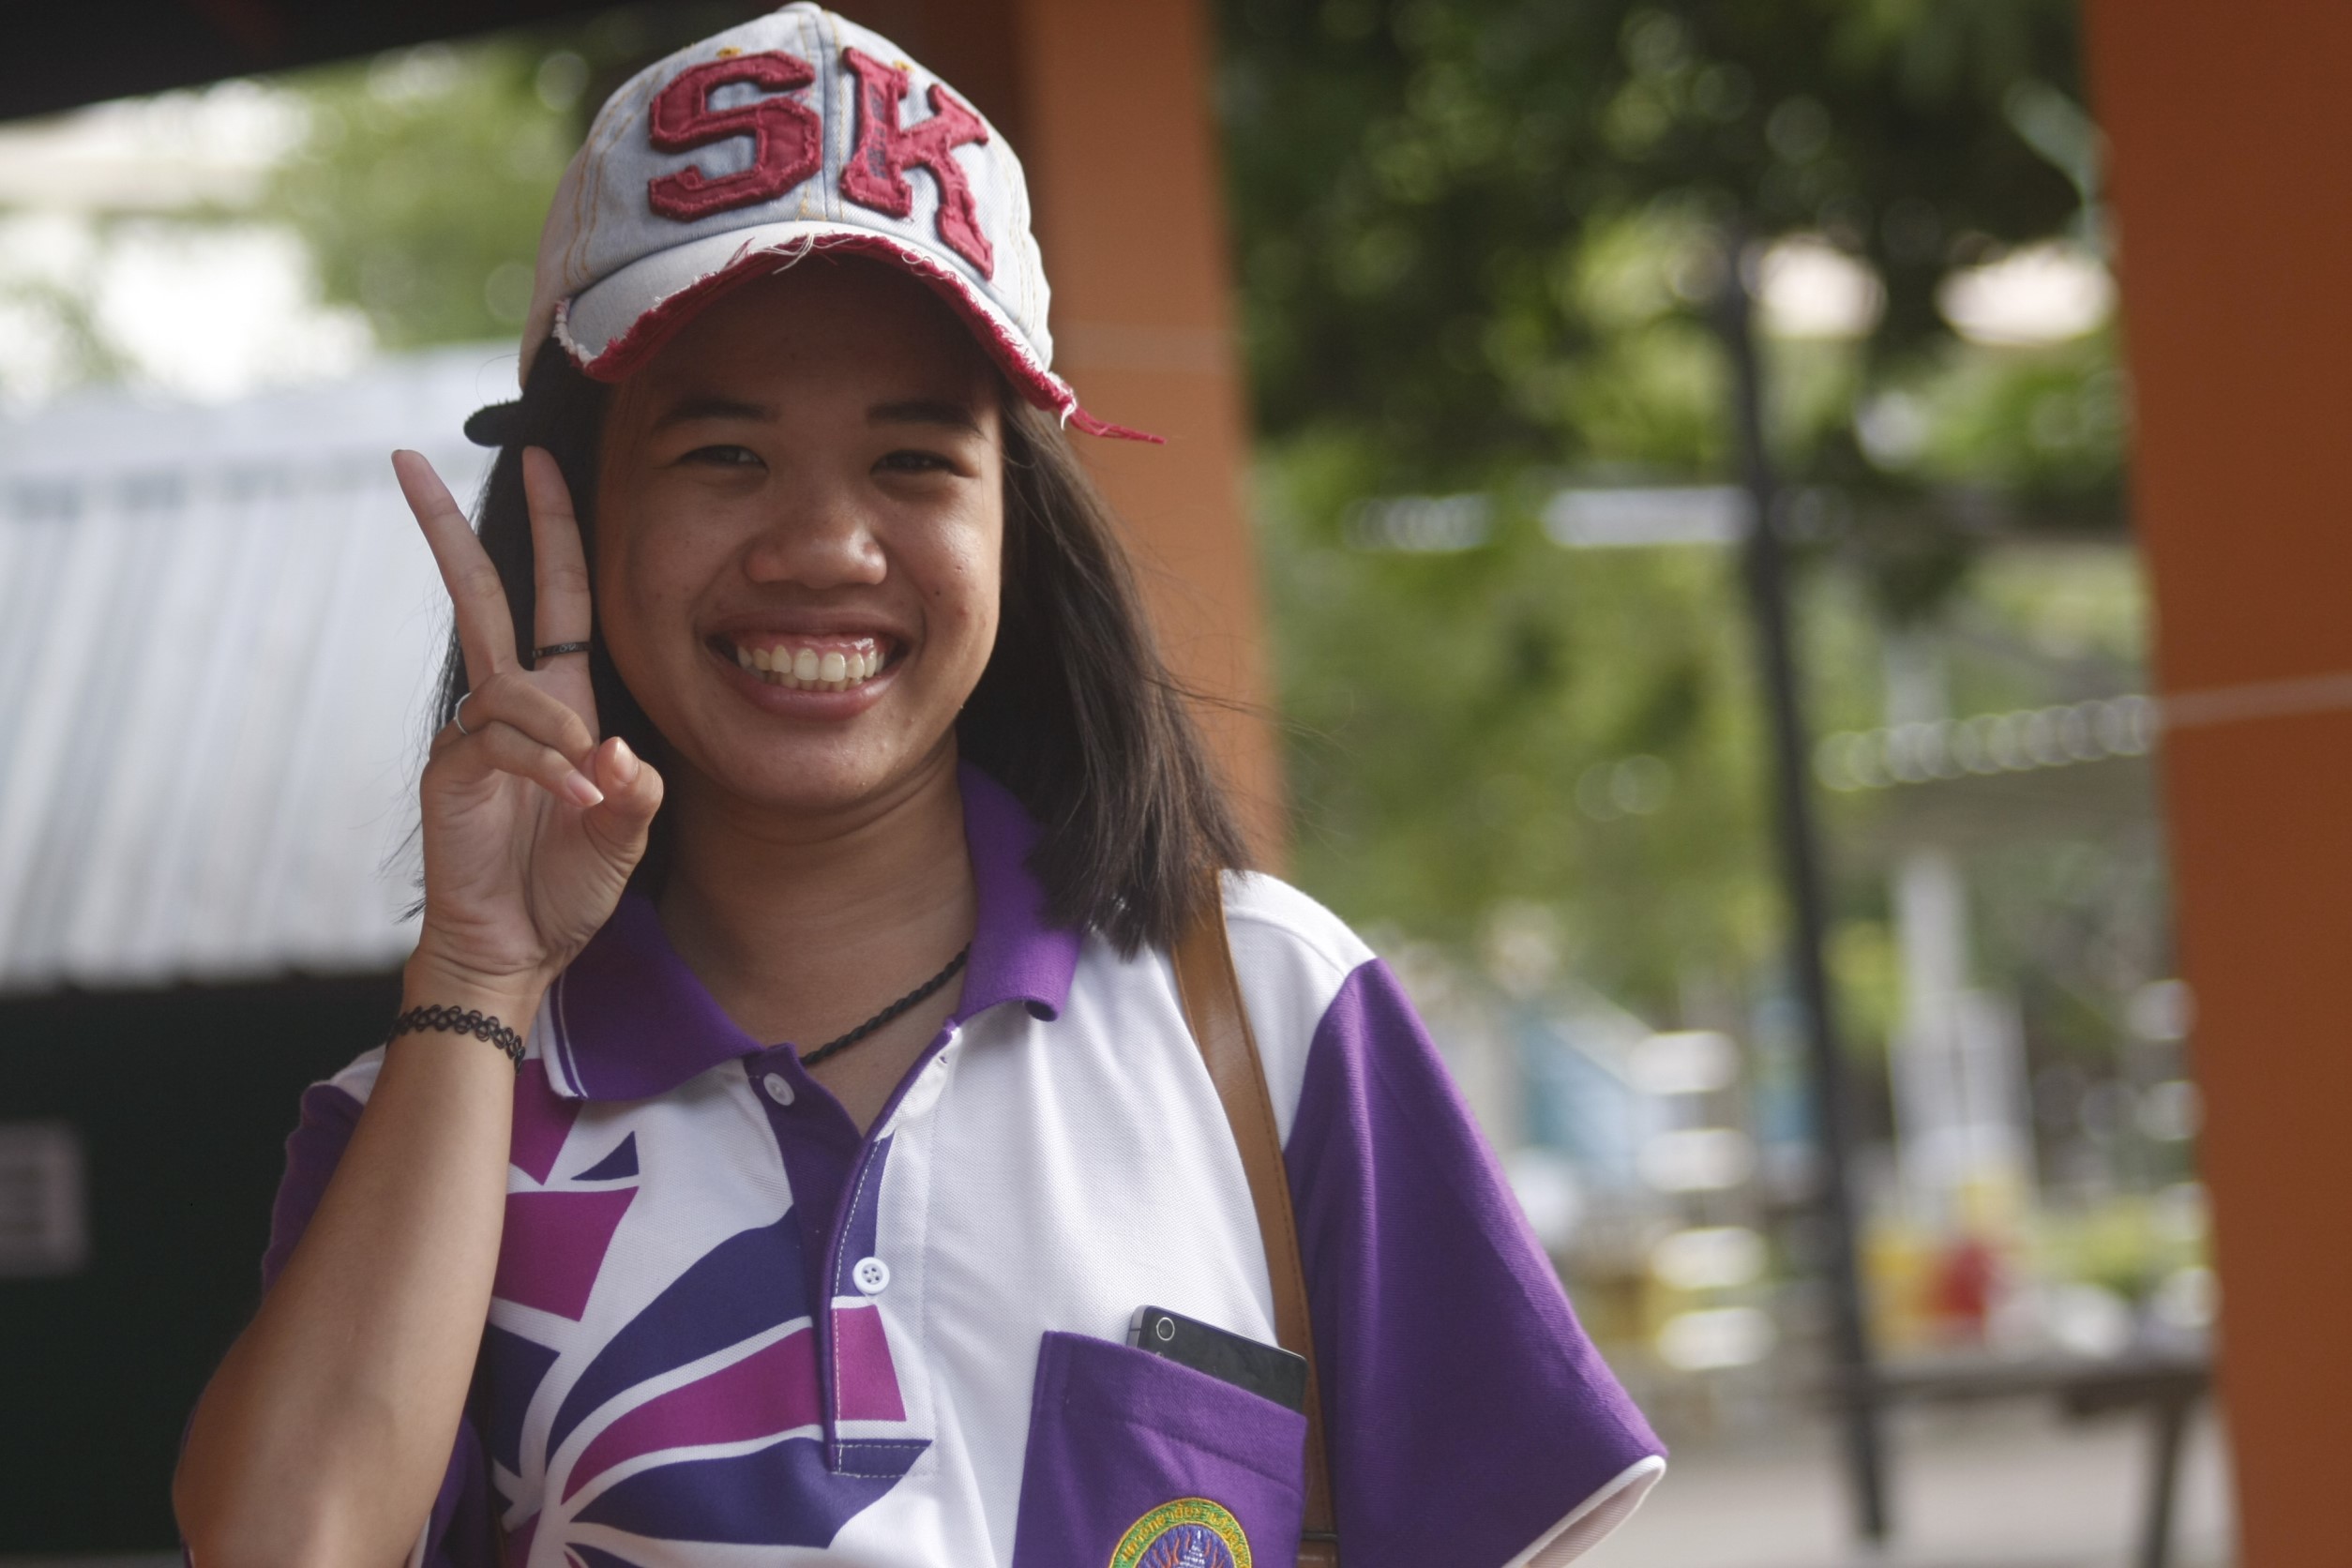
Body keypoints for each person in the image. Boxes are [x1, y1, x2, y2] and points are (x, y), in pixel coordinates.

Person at [173, 8, 1665, 1565]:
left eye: (912, 460)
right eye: (725, 455)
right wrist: (480, 977)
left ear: (1016, 513)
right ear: (571, 506)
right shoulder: (440, 1107)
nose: (826, 547)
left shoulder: (1267, 1010)